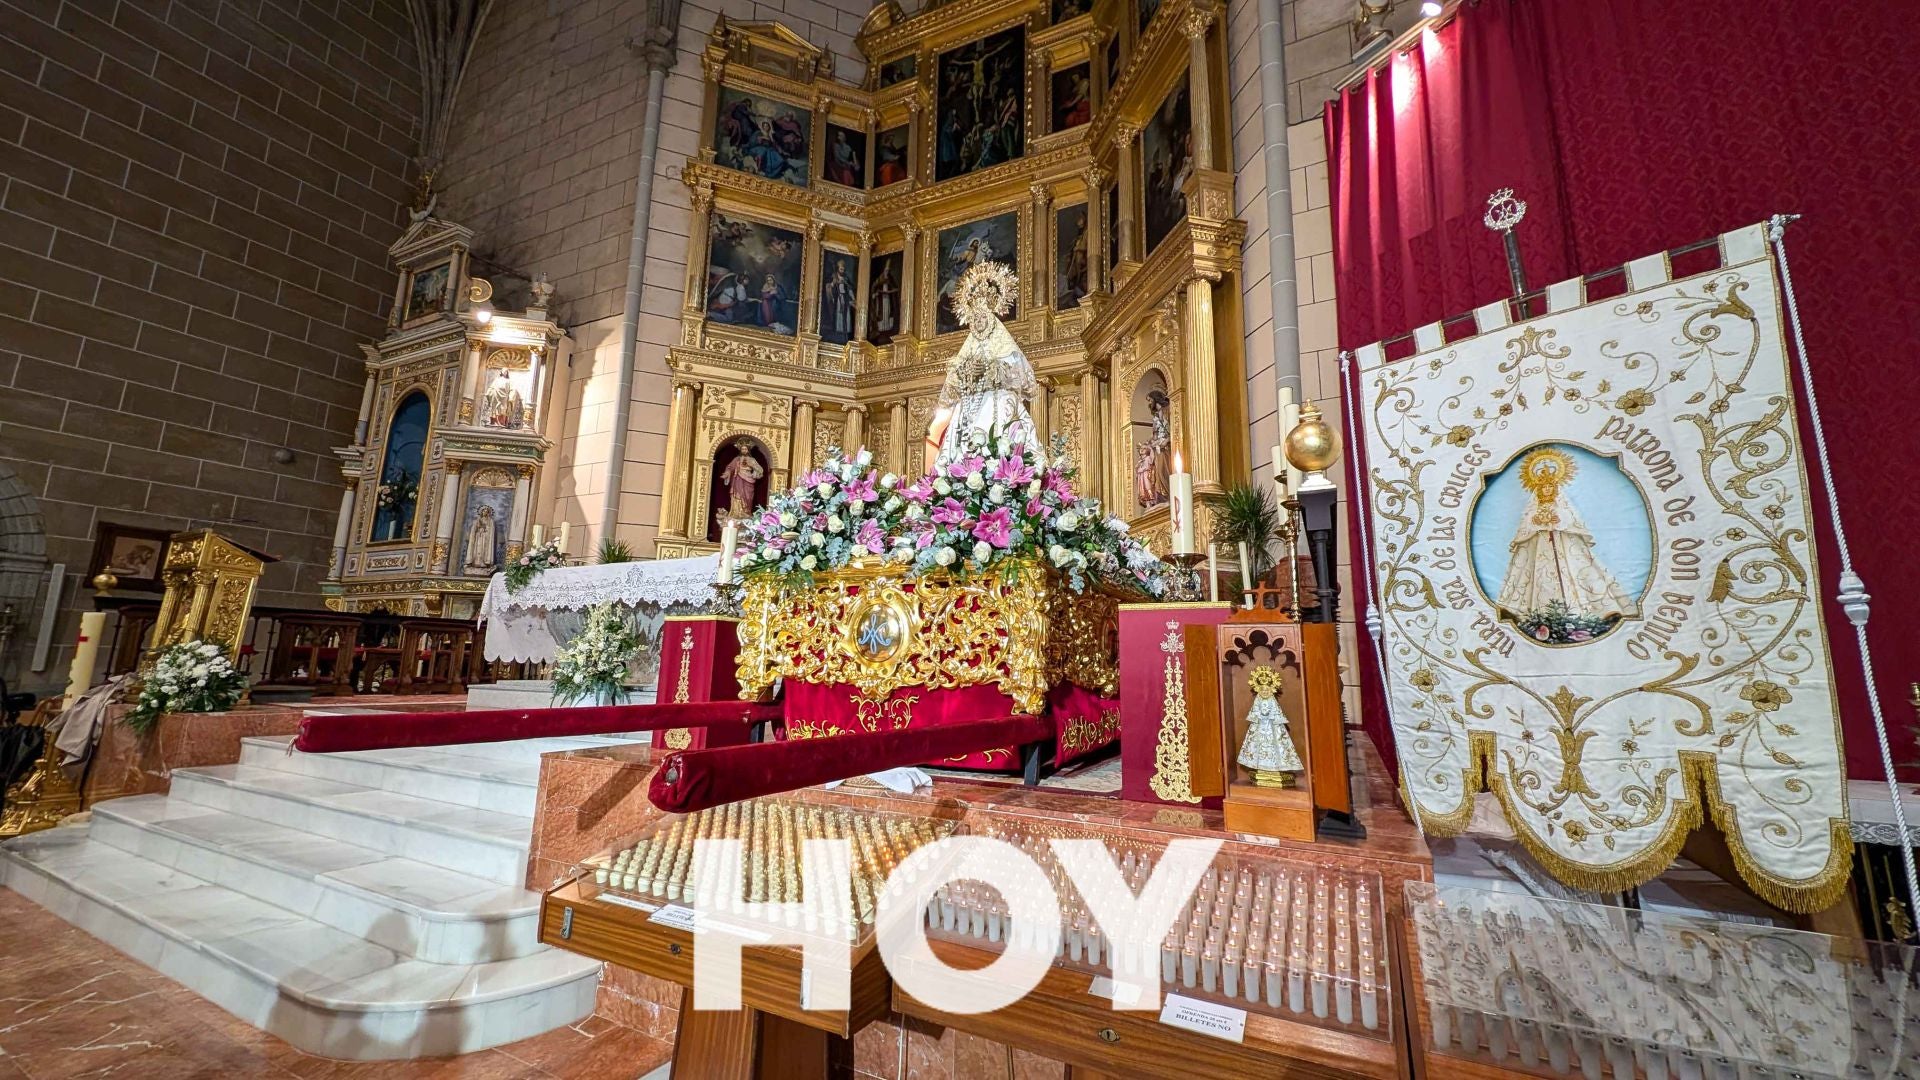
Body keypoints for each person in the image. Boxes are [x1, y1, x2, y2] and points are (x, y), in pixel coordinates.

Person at [1493, 447, 1639, 635]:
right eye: (1543, 486)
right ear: (1538, 488)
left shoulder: (1562, 504)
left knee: (1580, 576)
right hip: (1538, 551)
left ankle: (1583, 614)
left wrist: (1557, 520)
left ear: (1554, 487)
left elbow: (1573, 521)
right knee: (1537, 582)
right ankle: (1539, 618)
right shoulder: (1532, 506)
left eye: (1549, 486)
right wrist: (1536, 523)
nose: (1546, 489)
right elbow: (1525, 526)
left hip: (1564, 547)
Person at [927, 260, 1037, 463]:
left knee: (1006, 417)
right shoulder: (966, 350)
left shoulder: (1004, 346)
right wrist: (965, 372)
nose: (978, 322)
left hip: (997, 400)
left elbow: (1019, 375)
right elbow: (952, 386)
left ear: (991, 319)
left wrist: (991, 368)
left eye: (982, 317)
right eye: (974, 318)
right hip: (970, 404)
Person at [718, 441, 766, 518]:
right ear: (740, 450)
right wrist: (727, 473)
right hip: (738, 479)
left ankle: (746, 512)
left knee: (748, 497)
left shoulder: (752, 460)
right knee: (738, 495)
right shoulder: (737, 459)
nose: (744, 450)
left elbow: (760, 470)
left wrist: (752, 467)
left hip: (749, 479)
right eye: (742, 449)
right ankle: (737, 513)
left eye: (745, 449)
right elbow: (730, 467)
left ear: (748, 450)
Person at [463, 505, 498, 575]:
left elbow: (491, 531)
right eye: (483, 511)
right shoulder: (477, 520)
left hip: (485, 539)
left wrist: (485, 530)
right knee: (476, 550)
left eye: (486, 511)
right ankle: (475, 563)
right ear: (481, 512)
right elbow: (473, 530)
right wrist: (478, 530)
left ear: (488, 513)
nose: (485, 512)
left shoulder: (490, 521)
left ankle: (483, 563)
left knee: (483, 551)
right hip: (478, 538)